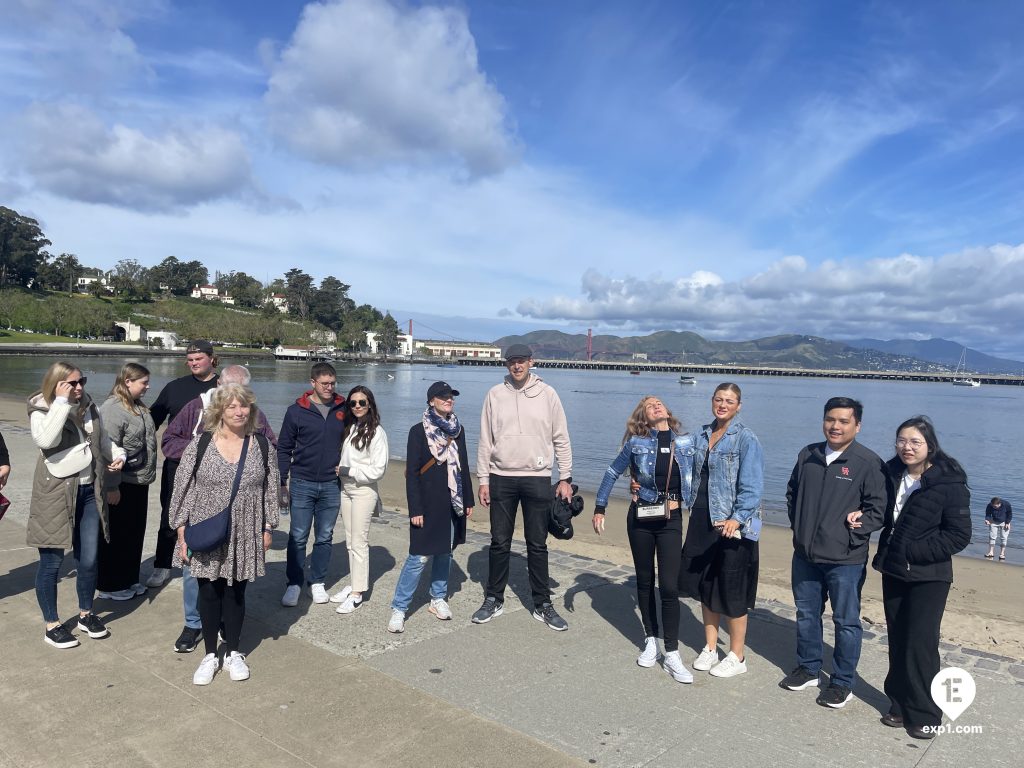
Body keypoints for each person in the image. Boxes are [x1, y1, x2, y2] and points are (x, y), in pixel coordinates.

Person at [852, 416, 971, 740]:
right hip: (893, 571)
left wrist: (913, 552)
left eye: (915, 441)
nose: (907, 447)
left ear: (930, 445)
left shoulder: (949, 482)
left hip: (929, 577)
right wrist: (860, 515)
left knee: (921, 644)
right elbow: (878, 510)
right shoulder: (891, 474)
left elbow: (959, 536)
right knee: (899, 640)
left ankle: (926, 713)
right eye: (902, 440)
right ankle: (900, 703)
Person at [161, 364, 277, 653]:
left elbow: (270, 480)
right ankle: (194, 626)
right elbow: (180, 476)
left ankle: (230, 636)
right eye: (230, 402)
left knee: (235, 588)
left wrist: (267, 526)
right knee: (201, 583)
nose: (238, 410)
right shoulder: (196, 423)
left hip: (244, 523)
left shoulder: (258, 432)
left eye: (243, 402)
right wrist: (180, 528)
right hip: (205, 519)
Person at [782, 396, 887, 708]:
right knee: (806, 614)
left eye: (844, 421)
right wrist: (800, 528)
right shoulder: (808, 454)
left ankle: (842, 682)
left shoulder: (867, 463)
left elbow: (878, 511)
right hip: (805, 555)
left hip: (845, 559)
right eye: (831, 419)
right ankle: (809, 667)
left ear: (857, 425)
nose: (835, 426)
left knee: (846, 621)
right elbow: (792, 493)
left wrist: (857, 528)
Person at [473, 343, 574, 631]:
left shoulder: (548, 394)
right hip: (501, 477)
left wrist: (564, 477)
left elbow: (561, 437)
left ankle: (542, 604)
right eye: (512, 362)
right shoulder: (495, 394)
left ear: (531, 362)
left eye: (521, 361)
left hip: (537, 476)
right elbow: (485, 440)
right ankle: (494, 598)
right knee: (499, 542)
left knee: (537, 544)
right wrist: (483, 479)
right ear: (506, 365)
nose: (516, 366)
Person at [593, 396, 694, 682]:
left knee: (671, 587)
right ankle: (651, 640)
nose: (656, 406)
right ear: (643, 417)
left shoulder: (685, 443)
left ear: (668, 411)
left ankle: (672, 652)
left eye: (660, 403)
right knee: (645, 580)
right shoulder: (636, 443)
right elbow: (612, 471)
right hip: (641, 517)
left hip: (671, 520)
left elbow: (701, 476)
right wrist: (600, 507)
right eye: (650, 405)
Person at [27, 361, 119, 648]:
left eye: (82, 382)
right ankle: (52, 624)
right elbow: (45, 439)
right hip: (54, 492)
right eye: (72, 383)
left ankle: (85, 614)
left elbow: (102, 440)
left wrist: (119, 455)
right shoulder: (42, 409)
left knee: (89, 559)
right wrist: (62, 402)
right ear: (56, 384)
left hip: (89, 491)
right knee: (52, 561)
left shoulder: (89, 406)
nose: (79, 387)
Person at [679, 382, 764, 679]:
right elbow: (675, 462)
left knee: (732, 591)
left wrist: (737, 518)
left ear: (739, 406)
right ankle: (710, 647)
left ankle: (737, 655)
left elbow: (753, 487)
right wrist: (638, 479)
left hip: (731, 527)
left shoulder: (745, 439)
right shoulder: (701, 435)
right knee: (706, 586)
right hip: (702, 520)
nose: (723, 405)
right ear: (712, 401)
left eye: (729, 401)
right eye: (718, 399)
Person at [387, 381, 475, 633]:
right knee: (419, 556)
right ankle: (400, 607)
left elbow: (463, 465)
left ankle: (438, 598)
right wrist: (415, 508)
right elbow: (412, 473)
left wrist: (467, 499)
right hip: (426, 501)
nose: (449, 400)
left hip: (451, 499)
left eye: (451, 396)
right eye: (443, 396)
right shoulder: (418, 431)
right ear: (431, 400)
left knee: (445, 552)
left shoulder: (458, 430)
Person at [147, 340, 219, 588]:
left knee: (209, 514)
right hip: (176, 463)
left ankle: (207, 560)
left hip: (215, 465)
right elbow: (151, 421)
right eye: (189, 360)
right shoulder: (174, 387)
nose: (193, 363)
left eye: (198, 359)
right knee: (170, 512)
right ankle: (162, 565)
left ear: (211, 358)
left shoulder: (225, 386)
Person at [277, 363, 347, 609]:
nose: (329, 388)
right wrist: (281, 481)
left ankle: (317, 582)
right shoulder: (296, 411)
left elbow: (358, 440)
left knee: (325, 536)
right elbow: (284, 447)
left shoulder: (344, 408)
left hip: (331, 483)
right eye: (324, 383)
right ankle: (294, 583)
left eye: (332, 383)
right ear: (313, 383)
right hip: (302, 482)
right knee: (297, 536)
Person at [96, 363, 157, 601]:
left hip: (139, 480)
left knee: (134, 532)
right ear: (128, 381)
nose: (147, 387)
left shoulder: (137, 406)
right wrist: (112, 485)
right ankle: (110, 585)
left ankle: (128, 578)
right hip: (121, 482)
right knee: (117, 534)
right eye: (143, 382)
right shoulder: (113, 408)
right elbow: (107, 450)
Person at [331, 385, 388, 614]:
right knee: (349, 541)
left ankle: (357, 593)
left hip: (364, 491)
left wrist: (349, 470)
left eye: (362, 402)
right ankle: (354, 583)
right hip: (346, 490)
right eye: (353, 403)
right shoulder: (351, 427)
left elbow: (378, 470)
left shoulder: (377, 432)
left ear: (370, 404)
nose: (357, 406)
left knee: (359, 542)